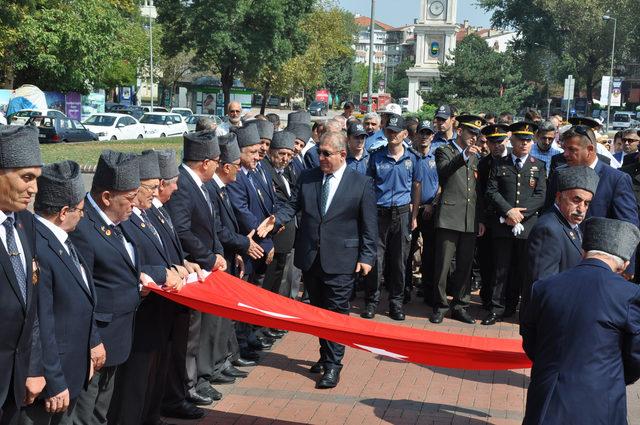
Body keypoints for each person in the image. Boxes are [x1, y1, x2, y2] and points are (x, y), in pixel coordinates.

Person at [256, 131, 377, 389]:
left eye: (326, 154)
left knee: (337, 314)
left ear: (342, 155)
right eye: (319, 152)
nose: (320, 157)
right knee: (320, 313)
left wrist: (367, 256)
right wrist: (277, 219)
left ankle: (334, 366)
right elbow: (292, 205)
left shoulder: (361, 183)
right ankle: (325, 355)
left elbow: (370, 226)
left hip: (342, 260)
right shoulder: (308, 177)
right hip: (311, 258)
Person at [521, 217, 640, 425]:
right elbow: (635, 356)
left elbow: (531, 341)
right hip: (602, 402)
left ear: (584, 252)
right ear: (624, 265)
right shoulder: (629, 294)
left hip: (547, 399)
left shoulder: (544, 287)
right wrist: (612, 376)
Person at [69, 151, 141, 425]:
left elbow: (127, 264)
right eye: (130, 199)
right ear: (107, 197)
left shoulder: (118, 220)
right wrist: (93, 339)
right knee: (84, 417)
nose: (135, 205)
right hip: (95, 342)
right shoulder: (83, 227)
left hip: (117, 337)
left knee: (100, 413)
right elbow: (81, 293)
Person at [17, 162, 91, 425]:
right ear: (63, 212)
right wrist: (54, 379)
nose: (83, 216)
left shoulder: (62, 238)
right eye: (80, 211)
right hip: (50, 382)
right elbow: (41, 319)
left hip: (68, 370)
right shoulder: (39, 246)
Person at [164, 131, 228, 405]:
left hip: (203, 270)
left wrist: (218, 254)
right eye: (216, 160)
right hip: (190, 272)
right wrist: (208, 257)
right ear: (204, 162)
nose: (218, 165)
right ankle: (184, 390)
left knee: (197, 335)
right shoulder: (184, 187)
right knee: (188, 338)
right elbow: (182, 230)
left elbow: (210, 227)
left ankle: (195, 382)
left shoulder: (201, 185)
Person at [145, 150, 207, 421]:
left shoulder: (159, 212)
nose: (177, 188)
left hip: (172, 295)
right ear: (160, 185)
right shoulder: (147, 213)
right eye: (173, 182)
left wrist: (183, 263)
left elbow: (169, 247)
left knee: (170, 356)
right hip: (155, 302)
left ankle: (163, 404)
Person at [545, 125, 638, 278]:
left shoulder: (616, 179)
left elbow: (628, 225)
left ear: (589, 149)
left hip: (599, 264)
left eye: (572, 149)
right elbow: (549, 211)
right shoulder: (559, 174)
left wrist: (627, 267)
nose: (565, 154)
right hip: (561, 258)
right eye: (564, 149)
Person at [482, 122, 547, 325]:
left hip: (527, 226)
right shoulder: (500, 164)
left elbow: (541, 195)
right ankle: (496, 308)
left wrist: (520, 215)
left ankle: (514, 306)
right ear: (513, 141)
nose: (525, 144)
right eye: (521, 140)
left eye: (528, 140)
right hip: (503, 223)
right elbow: (491, 191)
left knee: (522, 269)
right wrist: (508, 211)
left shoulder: (539, 165)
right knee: (500, 268)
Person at [0, 125, 43, 425]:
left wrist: (32, 366)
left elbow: (33, 305)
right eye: (26, 177)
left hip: (15, 385)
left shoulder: (24, 222)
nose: (34, 189)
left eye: (36, 179)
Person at [364, 114, 422, 321]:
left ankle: (396, 304)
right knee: (376, 261)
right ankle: (371, 301)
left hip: (402, 215)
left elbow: (416, 187)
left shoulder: (413, 158)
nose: (393, 135)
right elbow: (368, 187)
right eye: (389, 131)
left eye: (397, 132)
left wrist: (414, 215)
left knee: (399, 262)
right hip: (379, 214)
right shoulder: (376, 156)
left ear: (405, 134)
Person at [430, 115, 486, 325]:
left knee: (465, 266)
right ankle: (440, 305)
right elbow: (444, 171)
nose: (474, 137)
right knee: (443, 265)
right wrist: (463, 154)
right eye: (471, 132)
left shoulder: (477, 156)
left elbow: (478, 190)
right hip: (449, 216)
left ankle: (461, 305)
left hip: (469, 218)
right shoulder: (445, 150)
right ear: (460, 130)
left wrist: (479, 219)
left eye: (477, 134)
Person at [524, 166, 599, 317]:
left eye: (587, 203)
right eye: (576, 200)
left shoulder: (570, 223)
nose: (581, 208)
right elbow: (544, 286)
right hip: (552, 320)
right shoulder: (548, 229)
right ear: (558, 197)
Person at [406, 120, 439, 305]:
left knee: (430, 253)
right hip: (410, 209)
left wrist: (432, 204)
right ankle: (405, 289)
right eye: (422, 133)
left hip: (430, 209)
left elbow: (442, 184)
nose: (425, 136)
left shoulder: (437, 156)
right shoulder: (408, 156)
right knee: (407, 252)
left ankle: (427, 289)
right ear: (416, 135)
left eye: (428, 133)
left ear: (433, 136)